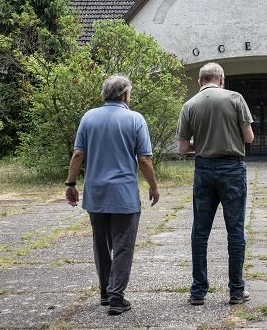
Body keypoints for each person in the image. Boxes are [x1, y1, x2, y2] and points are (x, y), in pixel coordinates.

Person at [65, 74, 160, 316]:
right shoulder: (135, 119)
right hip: (123, 194)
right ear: (126, 94)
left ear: (104, 95)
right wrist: (153, 186)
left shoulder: (88, 117)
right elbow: (144, 159)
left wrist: (71, 184)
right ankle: (117, 297)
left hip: (95, 194)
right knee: (123, 245)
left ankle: (105, 293)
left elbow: (78, 154)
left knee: (100, 244)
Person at [177, 62, 255, 306]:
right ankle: (236, 290)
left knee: (200, 231)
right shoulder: (235, 98)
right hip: (232, 168)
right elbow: (249, 137)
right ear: (221, 78)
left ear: (200, 80)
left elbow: (181, 149)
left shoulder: (189, 105)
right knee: (235, 230)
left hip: (203, 169)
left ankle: (198, 291)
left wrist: (200, 144)